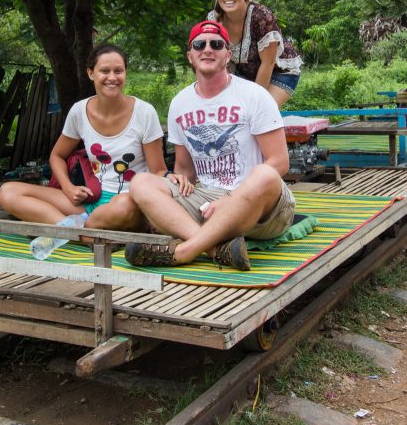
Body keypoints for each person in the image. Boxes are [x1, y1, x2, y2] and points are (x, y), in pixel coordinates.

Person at [123, 20, 295, 271]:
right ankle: (215, 249)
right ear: (190, 56)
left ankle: (184, 251)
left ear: (227, 55)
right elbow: (184, 169)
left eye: (216, 44)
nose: (207, 49)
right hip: (208, 201)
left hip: (258, 205)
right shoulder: (180, 103)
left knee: (266, 174)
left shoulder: (254, 95)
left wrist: (232, 199)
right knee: (141, 182)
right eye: (199, 44)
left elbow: (279, 162)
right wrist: (178, 178)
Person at [0, 44, 176, 233]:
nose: (112, 78)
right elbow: (56, 156)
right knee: (7, 192)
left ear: (126, 73)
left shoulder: (144, 112)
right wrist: (68, 188)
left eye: (118, 71)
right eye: (104, 71)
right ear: (91, 73)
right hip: (92, 199)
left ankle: (73, 229)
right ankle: (79, 233)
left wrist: (173, 179)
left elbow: (158, 171)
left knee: (125, 205)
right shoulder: (79, 111)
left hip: (129, 204)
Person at [205, 0, 301, 108]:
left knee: (262, 112)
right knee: (232, 115)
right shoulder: (214, 20)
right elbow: (220, 62)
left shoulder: (260, 16)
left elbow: (267, 63)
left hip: (278, 71)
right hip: (243, 73)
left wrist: (254, 103)